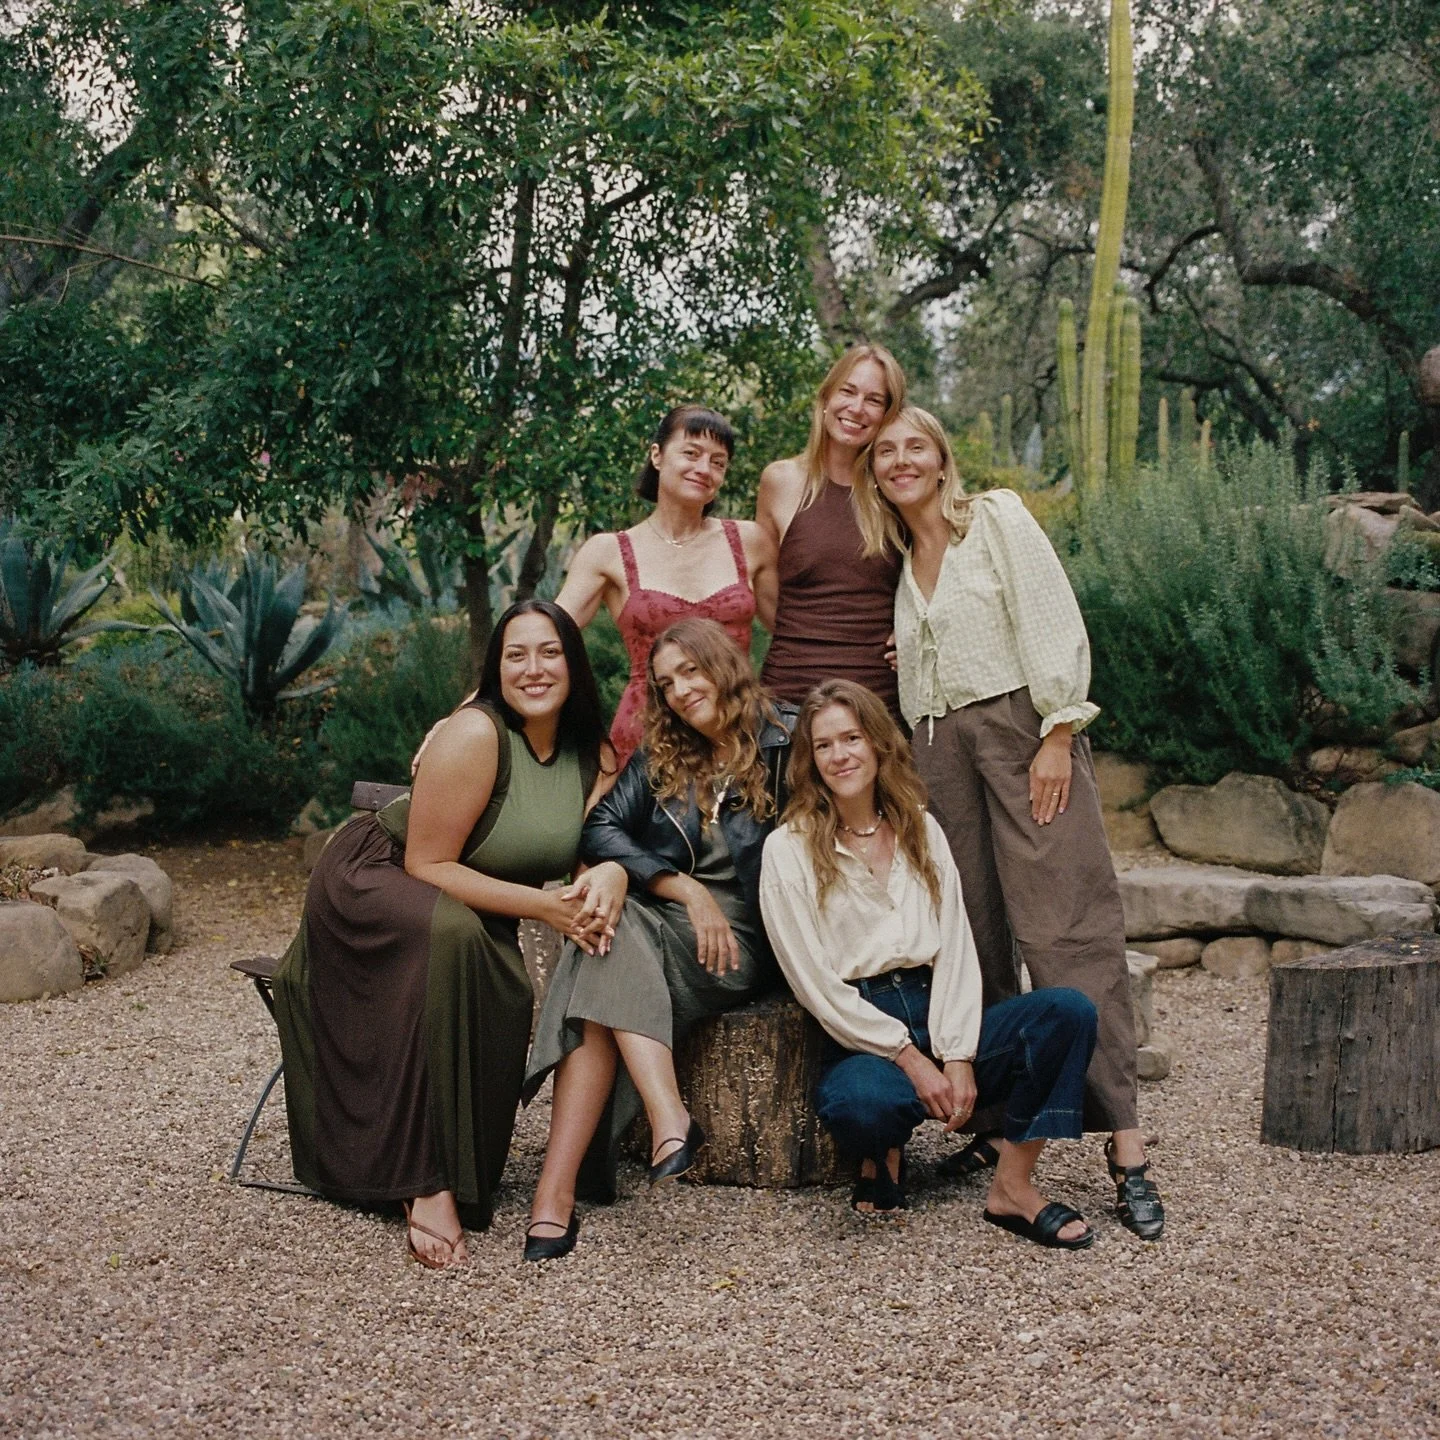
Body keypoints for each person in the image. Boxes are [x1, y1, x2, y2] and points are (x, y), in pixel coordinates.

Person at [852, 406, 1166, 1241]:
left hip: (1019, 731)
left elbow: (1051, 617)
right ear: (874, 474)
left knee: (1067, 928)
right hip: (933, 752)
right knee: (973, 935)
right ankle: (999, 1130)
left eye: (916, 445)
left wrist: (1058, 730)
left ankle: (1126, 1142)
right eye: (886, 453)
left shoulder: (994, 519)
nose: (901, 460)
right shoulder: (897, 564)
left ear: (943, 459)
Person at [272, 600, 620, 1270]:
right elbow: (424, 863)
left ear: (573, 662)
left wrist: (609, 876)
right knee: (460, 944)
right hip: (375, 880)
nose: (533, 668)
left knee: (501, 976)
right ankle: (422, 1177)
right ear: (495, 669)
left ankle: (464, 1163)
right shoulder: (476, 735)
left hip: (465, 900)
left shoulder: (593, 756)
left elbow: (595, 850)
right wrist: (545, 910)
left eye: (549, 651)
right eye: (515, 655)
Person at [759, 680, 1099, 1247]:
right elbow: (814, 983)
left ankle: (1012, 1186)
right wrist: (913, 1061)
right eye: (823, 746)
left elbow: (956, 948)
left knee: (1068, 1014)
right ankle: (882, 1151)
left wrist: (959, 1055)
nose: (841, 755)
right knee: (862, 1103)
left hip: (938, 1005)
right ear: (809, 761)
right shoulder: (788, 849)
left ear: (878, 745)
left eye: (852, 737)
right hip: (859, 1025)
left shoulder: (920, 826)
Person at [521, 618, 794, 1260]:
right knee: (606, 938)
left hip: (745, 939)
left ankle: (556, 1192)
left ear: (721, 664)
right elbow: (600, 829)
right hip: (671, 922)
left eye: (691, 672)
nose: (681, 692)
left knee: (601, 941)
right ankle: (666, 1119)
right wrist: (677, 886)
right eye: (667, 684)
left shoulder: (787, 739)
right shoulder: (668, 753)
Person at [556, 404, 777, 768]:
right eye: (691, 453)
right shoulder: (608, 552)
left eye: (718, 462)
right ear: (657, 455)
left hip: (737, 735)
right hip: (648, 739)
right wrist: (476, 706)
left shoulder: (750, 541)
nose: (704, 469)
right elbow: (546, 636)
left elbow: (794, 633)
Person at [756, 344, 908, 725]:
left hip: (878, 706)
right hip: (790, 704)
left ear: (888, 415)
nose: (857, 408)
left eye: (874, 400)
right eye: (848, 391)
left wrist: (915, 633)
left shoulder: (897, 487)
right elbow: (765, 594)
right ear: (826, 397)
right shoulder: (781, 481)